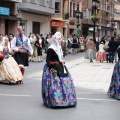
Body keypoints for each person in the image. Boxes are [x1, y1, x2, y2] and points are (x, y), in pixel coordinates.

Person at [42, 32, 77, 108]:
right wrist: (54, 63)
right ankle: (56, 101)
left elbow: (60, 57)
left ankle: (68, 100)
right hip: (53, 68)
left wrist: (61, 61)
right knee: (56, 84)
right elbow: (48, 61)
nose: (61, 40)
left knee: (67, 80)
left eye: (61, 39)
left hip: (60, 66)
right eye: (60, 39)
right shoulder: (51, 49)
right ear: (56, 40)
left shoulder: (59, 47)